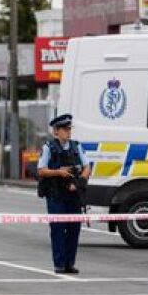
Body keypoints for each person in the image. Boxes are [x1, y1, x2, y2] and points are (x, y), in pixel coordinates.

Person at [36, 114, 91, 274]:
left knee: (74, 229)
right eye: (65, 129)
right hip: (56, 195)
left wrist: (79, 181)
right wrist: (59, 172)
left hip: (73, 195)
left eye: (69, 129)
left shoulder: (76, 146)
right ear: (56, 132)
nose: (68, 132)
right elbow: (41, 170)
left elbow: (87, 167)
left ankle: (69, 263)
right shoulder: (49, 147)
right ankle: (59, 264)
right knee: (58, 229)